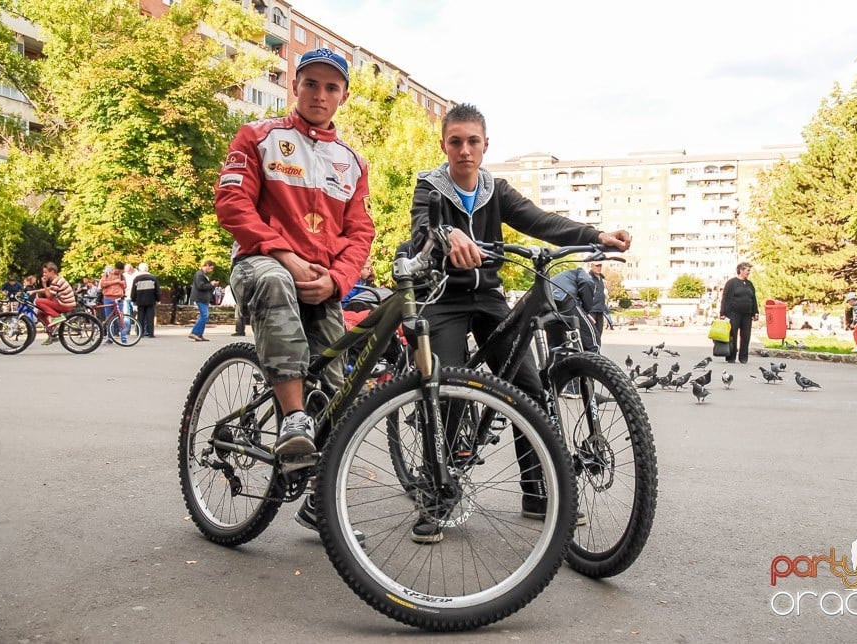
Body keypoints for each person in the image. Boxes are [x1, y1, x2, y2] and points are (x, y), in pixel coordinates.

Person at [408, 103, 631, 543]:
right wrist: (447, 235)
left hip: (487, 297)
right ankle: (436, 493)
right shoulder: (430, 187)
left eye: (473, 141)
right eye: (456, 141)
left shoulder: (497, 189)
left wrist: (594, 235)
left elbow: (541, 222)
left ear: (486, 145)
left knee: (529, 388)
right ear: (444, 145)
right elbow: (422, 228)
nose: (465, 150)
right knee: (448, 389)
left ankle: (536, 492)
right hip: (443, 297)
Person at [215, 45, 373, 492]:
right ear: (295, 85)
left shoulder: (353, 162)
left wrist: (337, 280)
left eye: (331, 87)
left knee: (338, 393)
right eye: (311, 84)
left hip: (320, 283)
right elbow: (231, 204)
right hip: (261, 264)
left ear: (342, 95)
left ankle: (319, 498)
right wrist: (283, 254)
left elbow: (360, 234)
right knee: (274, 278)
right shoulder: (257, 135)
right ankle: (293, 419)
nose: (319, 94)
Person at [548, 266, 600, 353]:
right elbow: (587, 282)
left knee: (557, 347)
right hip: (563, 297)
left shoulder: (564, 276)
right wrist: (586, 312)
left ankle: (556, 363)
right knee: (591, 339)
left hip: (546, 303)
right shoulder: (580, 271)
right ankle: (595, 362)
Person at [719, 262, 759, 364]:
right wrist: (722, 312)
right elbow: (725, 298)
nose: (749, 272)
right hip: (733, 313)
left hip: (747, 314)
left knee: (746, 336)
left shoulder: (750, 284)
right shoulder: (731, 283)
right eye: (747, 270)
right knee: (733, 335)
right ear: (741, 270)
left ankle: (743, 357)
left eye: (749, 270)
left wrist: (755, 312)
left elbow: (753, 298)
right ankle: (731, 357)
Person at [33, 262, 76, 345]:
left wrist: (44, 284)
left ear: (52, 272)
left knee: (38, 301)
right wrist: (34, 291)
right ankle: (52, 334)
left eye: (45, 272)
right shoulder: (58, 279)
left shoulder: (55, 281)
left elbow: (49, 296)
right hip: (65, 303)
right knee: (40, 314)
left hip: (65, 304)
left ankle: (58, 317)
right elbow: (50, 289)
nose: (43, 274)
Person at [188, 260, 217, 342]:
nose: (211, 270)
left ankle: (199, 334)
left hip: (204, 298)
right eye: (211, 268)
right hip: (200, 298)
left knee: (205, 316)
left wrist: (212, 285)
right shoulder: (199, 274)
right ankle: (194, 332)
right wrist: (211, 284)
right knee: (204, 315)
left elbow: (206, 287)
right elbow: (200, 286)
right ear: (207, 265)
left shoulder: (204, 275)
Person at [130, 262, 160, 337]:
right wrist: (158, 299)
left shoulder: (137, 279)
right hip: (151, 300)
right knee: (150, 317)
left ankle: (140, 333)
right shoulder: (153, 278)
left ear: (140, 269)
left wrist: (133, 299)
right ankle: (151, 333)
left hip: (140, 300)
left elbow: (133, 291)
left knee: (140, 317)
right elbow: (157, 290)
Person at [100, 263, 126, 343]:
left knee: (121, 318)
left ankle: (124, 338)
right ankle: (110, 338)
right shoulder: (107, 274)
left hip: (118, 298)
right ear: (115, 268)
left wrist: (122, 283)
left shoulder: (122, 276)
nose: (120, 272)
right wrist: (115, 281)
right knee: (109, 318)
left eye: (121, 271)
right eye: (119, 271)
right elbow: (102, 284)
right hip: (108, 297)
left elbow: (125, 286)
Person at [586, 262, 609, 346]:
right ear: (591, 266)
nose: (599, 267)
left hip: (600, 310)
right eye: (597, 266)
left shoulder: (601, 279)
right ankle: (590, 355)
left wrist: (605, 309)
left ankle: (597, 354)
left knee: (598, 335)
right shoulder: (588, 278)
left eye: (600, 265)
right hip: (591, 311)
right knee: (591, 335)